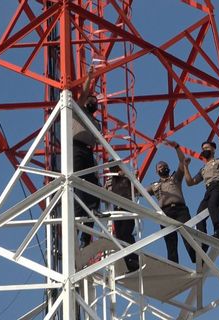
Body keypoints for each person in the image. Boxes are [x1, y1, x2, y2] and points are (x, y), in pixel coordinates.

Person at [146, 141, 196, 264]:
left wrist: (177, 147)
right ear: (157, 172)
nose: (162, 167)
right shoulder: (154, 186)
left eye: (164, 165)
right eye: (160, 167)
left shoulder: (175, 178)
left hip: (180, 210)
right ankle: (173, 265)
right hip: (165, 213)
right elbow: (139, 190)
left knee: (188, 235)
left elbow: (182, 162)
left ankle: (197, 258)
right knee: (170, 241)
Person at [73, 66, 103, 248]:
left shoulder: (94, 121)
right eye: (91, 100)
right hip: (75, 148)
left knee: (92, 189)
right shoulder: (78, 110)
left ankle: (86, 236)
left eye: (95, 101)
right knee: (77, 187)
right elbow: (83, 95)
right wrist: (89, 78)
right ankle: (76, 228)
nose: (93, 102)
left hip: (87, 151)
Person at [184, 139, 219, 250]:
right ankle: (203, 242)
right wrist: (185, 167)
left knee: (212, 205)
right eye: (203, 149)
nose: (204, 150)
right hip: (208, 190)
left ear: (213, 149)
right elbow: (190, 182)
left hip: (217, 187)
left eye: (207, 148)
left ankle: (218, 232)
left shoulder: (218, 161)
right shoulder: (203, 169)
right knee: (199, 215)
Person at [105, 164, 139, 272]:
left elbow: (137, 189)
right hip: (117, 210)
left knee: (126, 233)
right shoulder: (109, 180)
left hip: (127, 207)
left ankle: (134, 259)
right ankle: (129, 263)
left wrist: (129, 175)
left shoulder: (126, 176)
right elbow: (104, 194)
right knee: (120, 237)